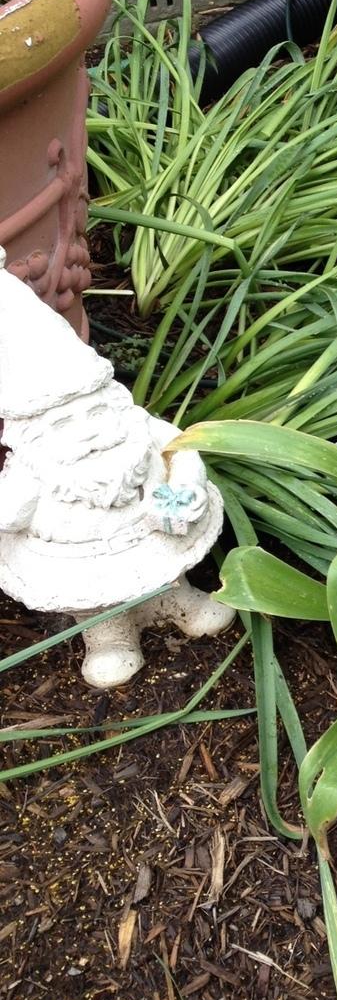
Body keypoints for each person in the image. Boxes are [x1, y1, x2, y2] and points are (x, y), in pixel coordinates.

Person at [0, 246, 234, 687]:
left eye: (95, 413)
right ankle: (110, 639)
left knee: (168, 570)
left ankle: (178, 600)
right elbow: (10, 514)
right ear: (30, 435)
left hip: (154, 539)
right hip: (77, 561)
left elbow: (184, 448)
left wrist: (186, 486)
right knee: (97, 604)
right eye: (66, 423)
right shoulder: (34, 468)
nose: (88, 431)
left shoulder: (139, 430)